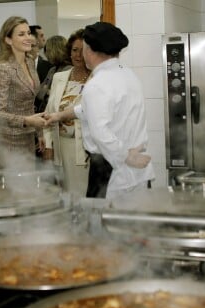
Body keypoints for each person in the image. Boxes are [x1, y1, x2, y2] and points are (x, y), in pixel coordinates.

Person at [45, 22, 155, 199]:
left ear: (89, 50)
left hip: (112, 170)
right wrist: (59, 115)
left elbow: (101, 134)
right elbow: (90, 109)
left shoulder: (97, 84)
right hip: (137, 169)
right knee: (133, 223)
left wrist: (127, 157)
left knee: (101, 223)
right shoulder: (127, 74)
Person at [0, 16, 49, 169]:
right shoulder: (3, 68)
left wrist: (40, 133)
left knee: (26, 187)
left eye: (28, 33)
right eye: (21, 34)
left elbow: (30, 104)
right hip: (9, 140)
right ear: (8, 40)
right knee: (13, 189)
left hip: (28, 138)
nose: (28, 38)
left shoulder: (29, 62)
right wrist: (27, 121)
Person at [42, 29, 89, 196]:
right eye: (75, 50)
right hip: (59, 148)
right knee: (61, 196)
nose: (78, 55)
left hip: (82, 150)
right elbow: (49, 112)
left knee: (79, 195)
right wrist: (48, 145)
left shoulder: (97, 79)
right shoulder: (59, 77)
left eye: (83, 51)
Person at [35, 34, 71, 113]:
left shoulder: (68, 70)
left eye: (47, 51)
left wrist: (47, 91)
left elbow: (57, 95)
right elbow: (40, 94)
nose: (46, 54)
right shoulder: (52, 70)